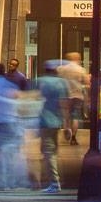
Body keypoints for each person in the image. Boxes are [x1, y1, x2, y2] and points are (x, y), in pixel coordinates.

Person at [35, 61, 69, 192]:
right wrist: (67, 125)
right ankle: (51, 180)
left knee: (48, 152)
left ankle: (54, 182)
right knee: (52, 152)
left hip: (44, 120)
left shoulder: (41, 81)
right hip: (57, 121)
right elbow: (64, 104)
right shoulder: (62, 83)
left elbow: (35, 98)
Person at [0, 63, 22, 188]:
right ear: (4, 72)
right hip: (12, 122)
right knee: (10, 153)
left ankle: (2, 180)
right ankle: (11, 180)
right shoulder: (12, 87)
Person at [57, 52, 87, 145]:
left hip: (65, 95)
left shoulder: (61, 69)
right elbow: (86, 82)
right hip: (77, 95)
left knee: (66, 115)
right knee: (75, 116)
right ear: (77, 59)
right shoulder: (81, 69)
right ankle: (73, 138)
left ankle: (66, 129)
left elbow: (59, 81)